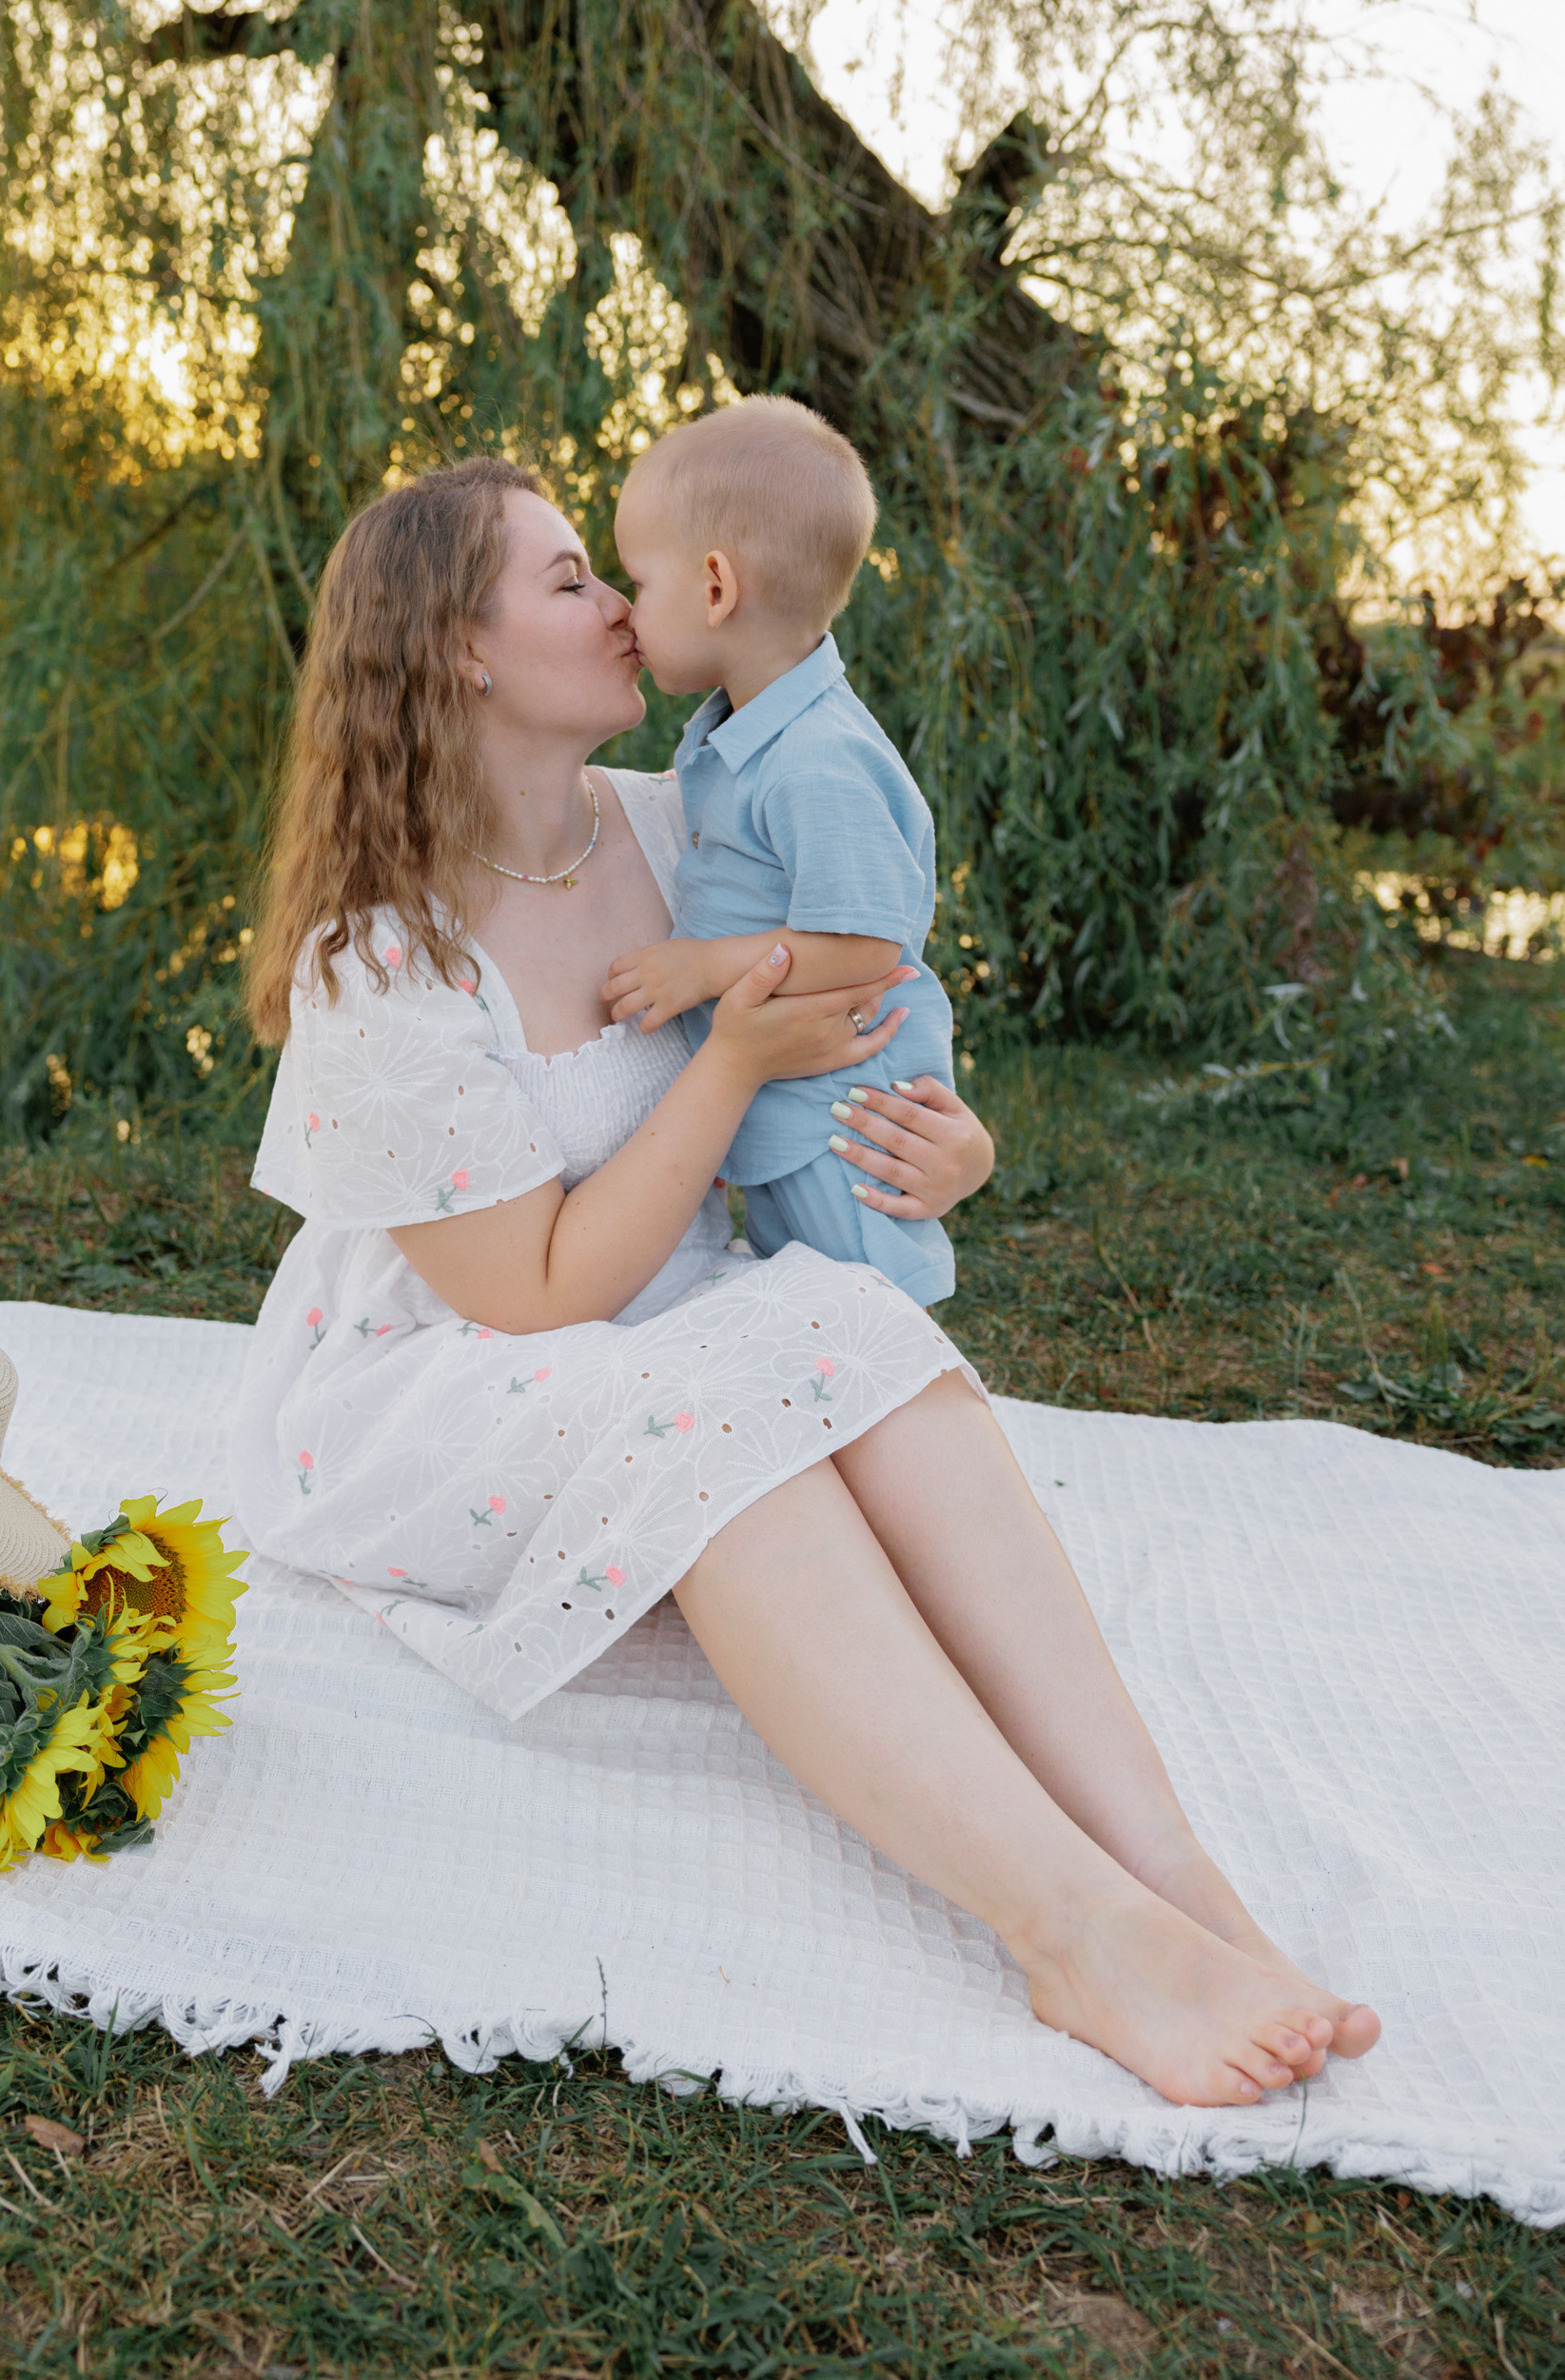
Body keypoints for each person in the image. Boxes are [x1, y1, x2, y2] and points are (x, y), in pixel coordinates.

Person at [231, 453, 1380, 2110]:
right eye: (567, 578)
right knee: (731, 1422)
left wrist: (942, 1131)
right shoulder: (381, 955)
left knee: (863, 1338)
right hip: (453, 1368)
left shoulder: (680, 824)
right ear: (459, 649)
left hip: (676, 1295)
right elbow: (535, 1290)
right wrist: (729, 1064)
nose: (622, 603)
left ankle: (1180, 1884)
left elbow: (872, 994)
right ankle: (1070, 1933)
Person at [604, 395, 956, 1304]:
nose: (624, 611)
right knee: (801, 1307)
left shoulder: (818, 764)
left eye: (639, 583)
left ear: (716, 587)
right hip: (797, 1110)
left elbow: (871, 949)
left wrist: (702, 967)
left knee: (863, 1309)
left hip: (844, 1125)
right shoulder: (752, 733)